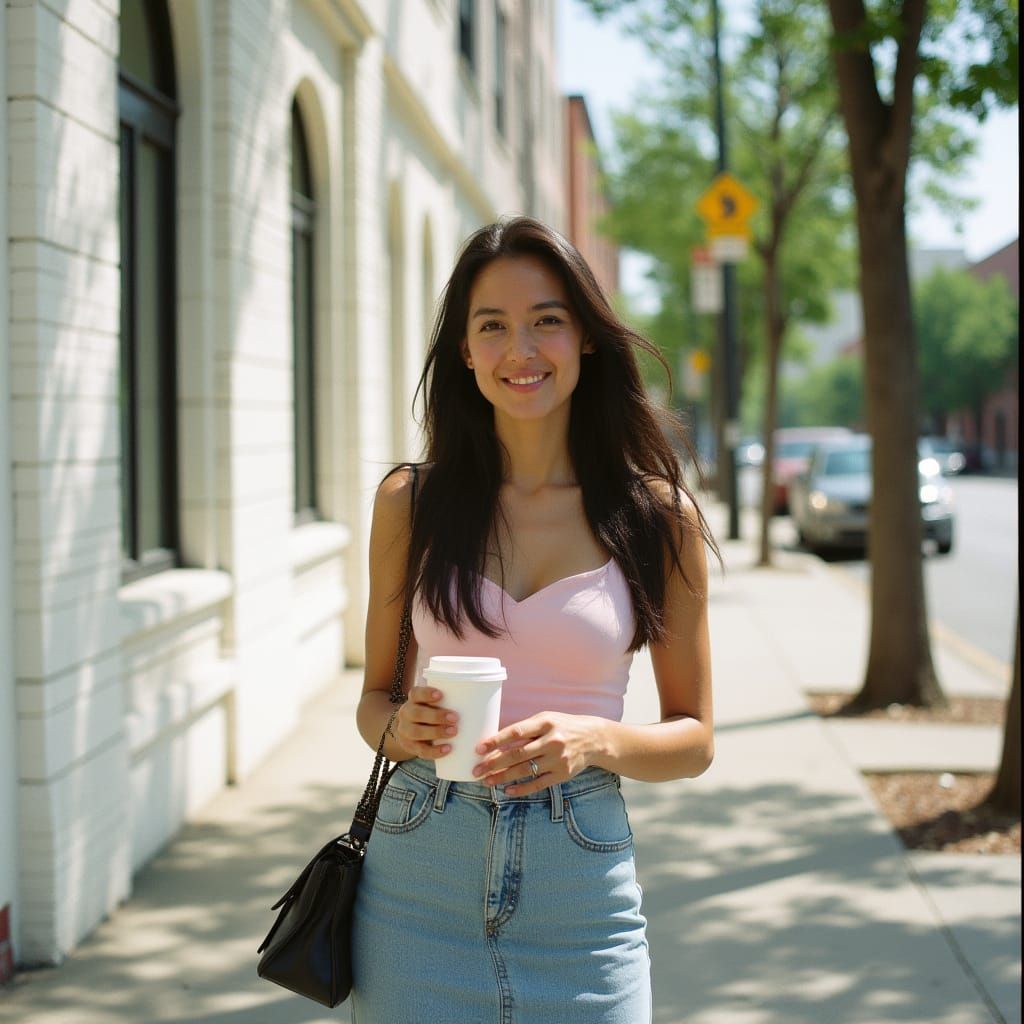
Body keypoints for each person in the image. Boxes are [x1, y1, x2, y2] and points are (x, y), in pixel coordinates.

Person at [352, 216, 716, 1023]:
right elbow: (373, 701)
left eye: (546, 320)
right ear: (466, 352)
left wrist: (594, 740)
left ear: (584, 337)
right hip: (418, 877)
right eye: (493, 327)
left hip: (580, 887)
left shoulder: (657, 518)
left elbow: (694, 738)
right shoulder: (411, 504)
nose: (522, 350)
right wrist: (400, 729)